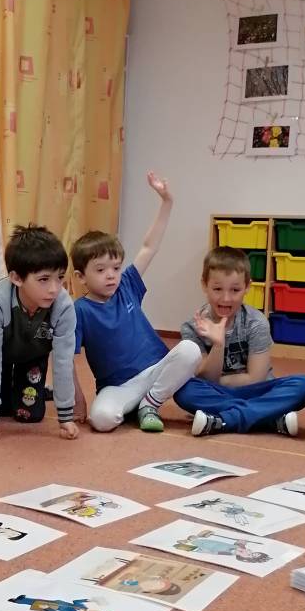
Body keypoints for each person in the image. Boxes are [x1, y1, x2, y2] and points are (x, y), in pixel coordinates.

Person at [71, 172, 201, 433]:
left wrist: (166, 201)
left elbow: (149, 247)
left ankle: (149, 404)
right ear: (80, 276)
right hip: (118, 386)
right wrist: (76, 399)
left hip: (155, 369)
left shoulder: (127, 284)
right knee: (101, 420)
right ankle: (142, 402)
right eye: (100, 270)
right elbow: (66, 359)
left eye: (116, 267)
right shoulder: (80, 310)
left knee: (190, 350)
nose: (111, 275)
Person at [177, 246, 305, 437]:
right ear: (204, 285)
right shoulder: (192, 328)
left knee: (304, 385)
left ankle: (224, 420)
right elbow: (208, 379)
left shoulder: (256, 323)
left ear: (247, 287)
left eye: (235, 290)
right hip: (219, 392)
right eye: (217, 289)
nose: (226, 298)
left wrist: (220, 382)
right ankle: (268, 417)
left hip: (258, 391)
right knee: (182, 388)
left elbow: (255, 379)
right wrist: (218, 344)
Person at [0, 224, 78, 442]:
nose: (54, 288)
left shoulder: (64, 306)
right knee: (1, 409)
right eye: (44, 279)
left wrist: (65, 416)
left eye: (59, 277)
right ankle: (10, 390)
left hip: (33, 356)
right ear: (16, 278)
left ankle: (37, 389)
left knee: (29, 414)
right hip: (1, 356)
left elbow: (63, 361)